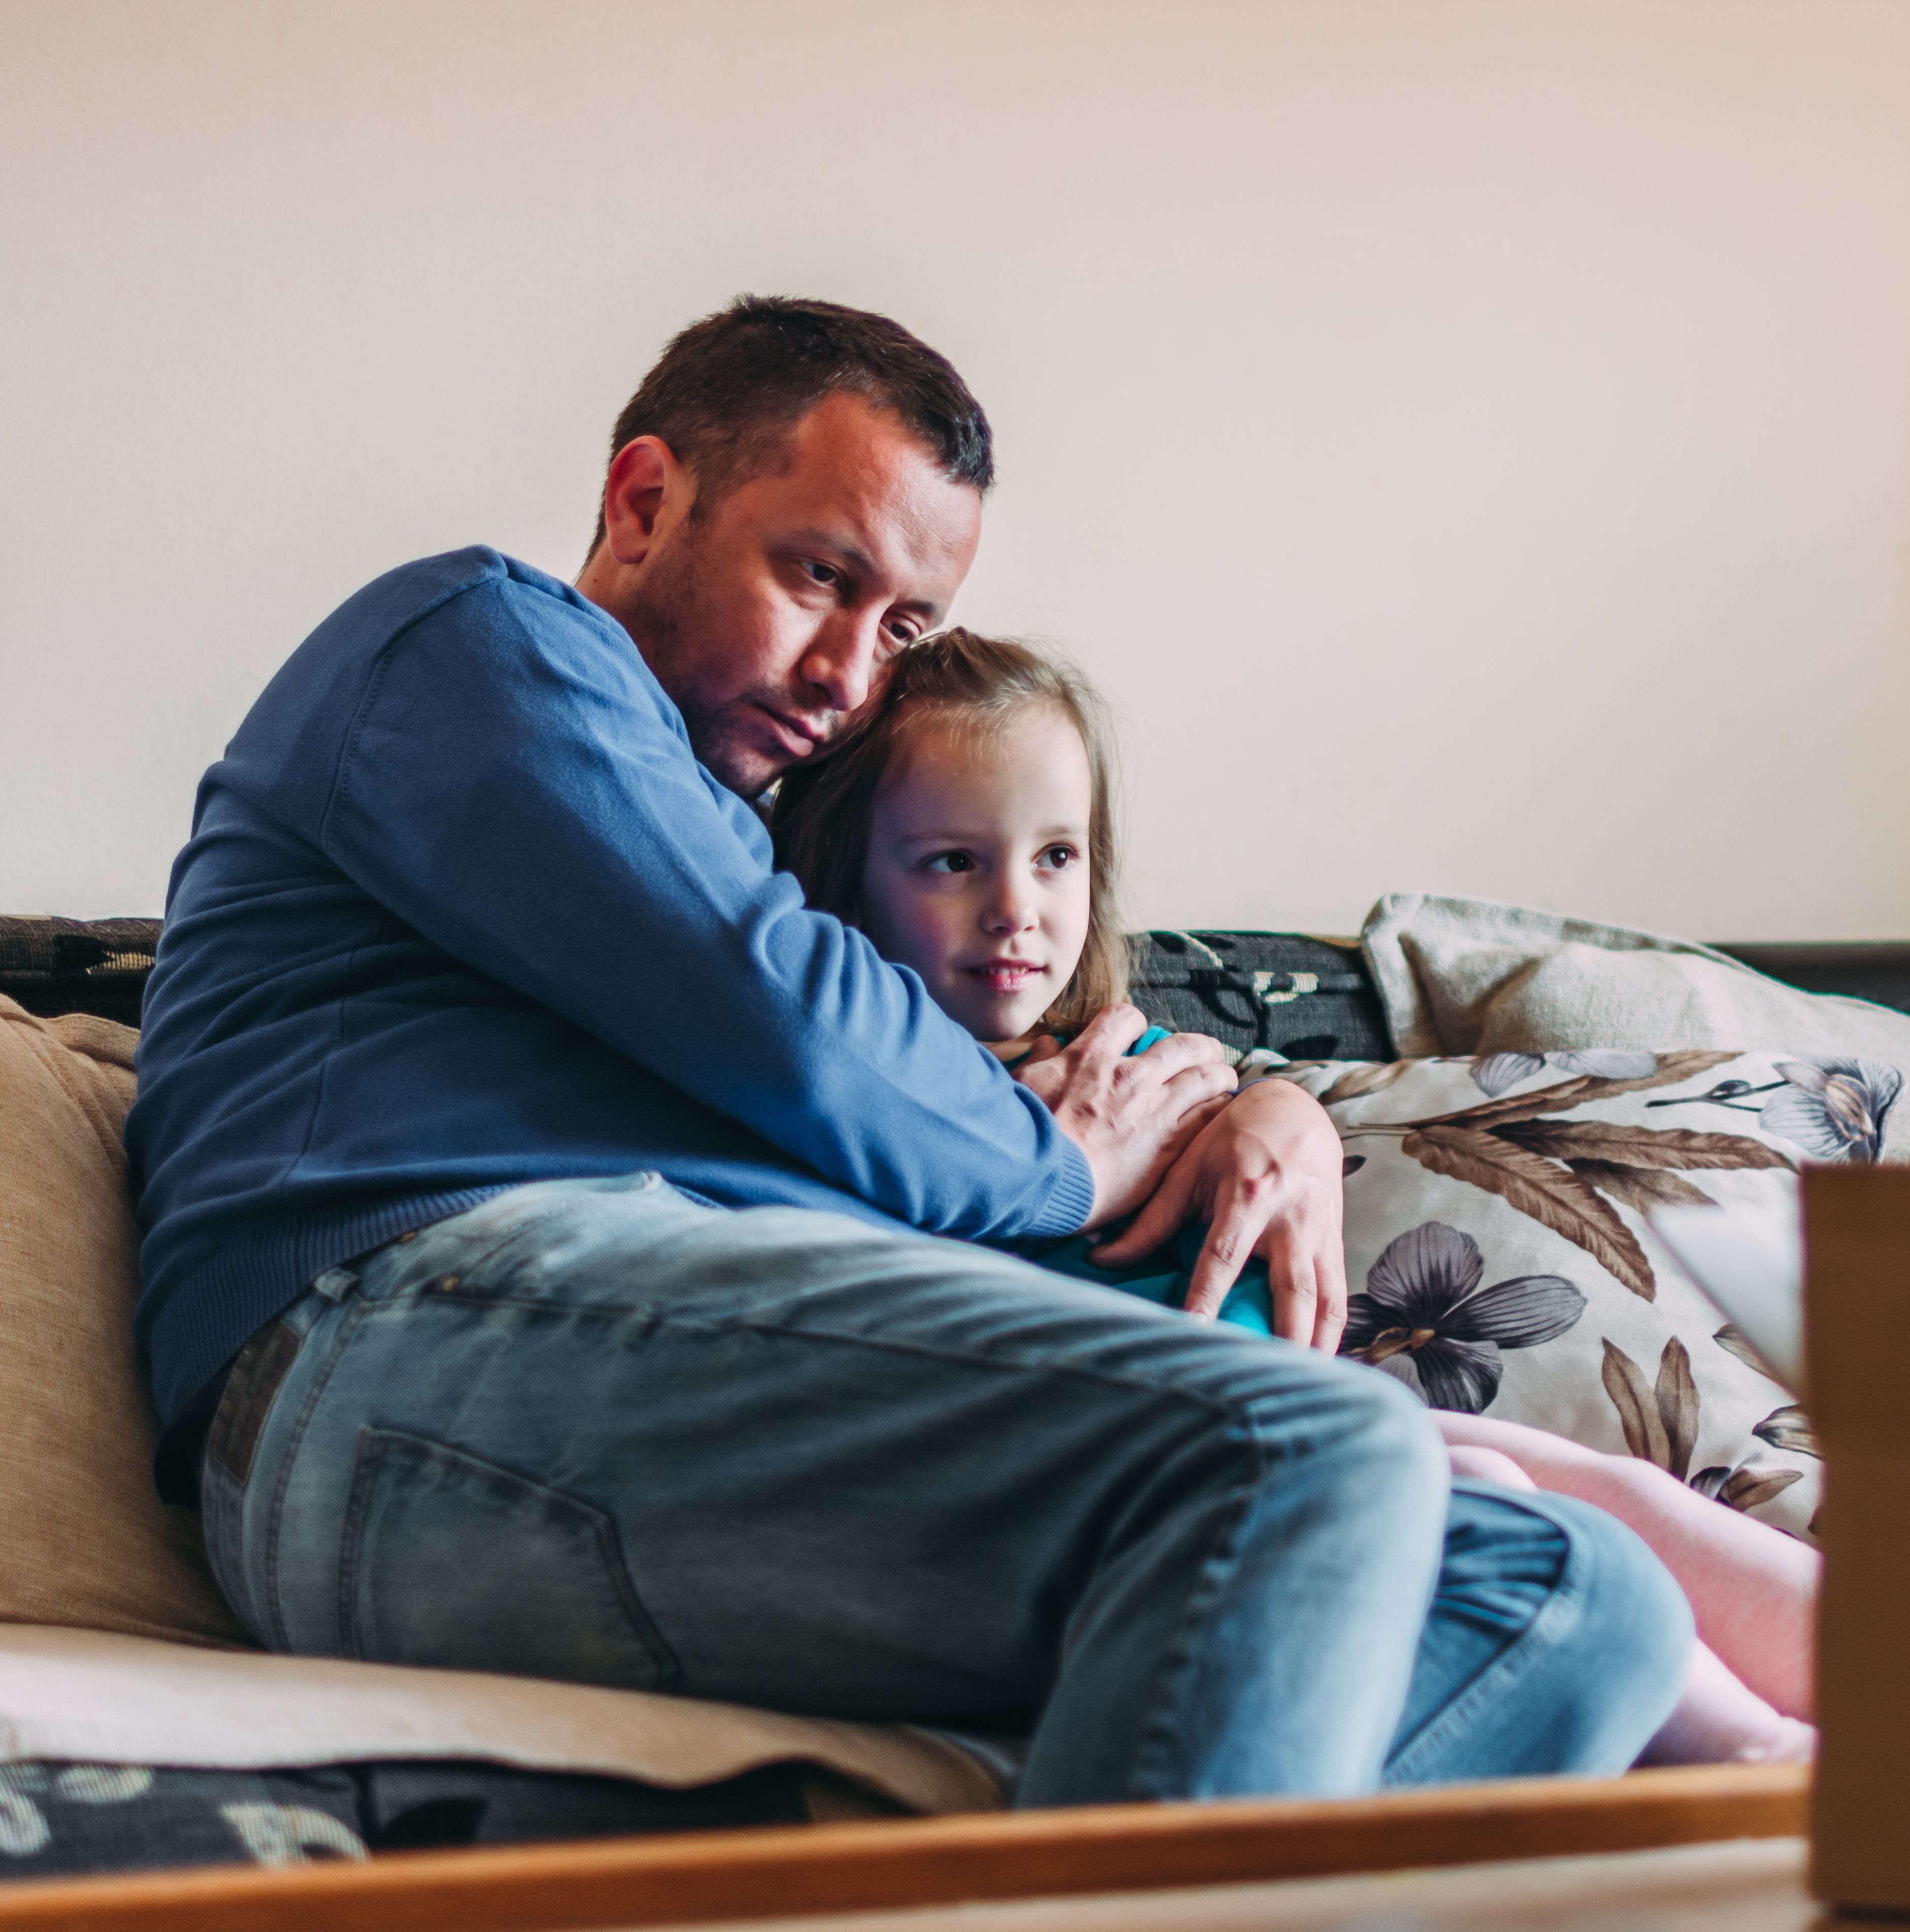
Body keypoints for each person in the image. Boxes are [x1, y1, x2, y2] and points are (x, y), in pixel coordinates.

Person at [126, 296, 1693, 1804]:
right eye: (818, 575)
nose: (850, 675)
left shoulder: (736, 833)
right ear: (642, 498)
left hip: (648, 1417)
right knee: (1305, 1443)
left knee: (1574, 1602)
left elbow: (949, 1063)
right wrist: (1063, 1159)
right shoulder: (478, 648)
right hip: (385, 1358)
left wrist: (1246, 1094)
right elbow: (794, 1024)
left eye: (907, 625)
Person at [769, 626, 1816, 1765]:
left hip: (1306, 1420)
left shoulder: (1143, 1068)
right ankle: (1761, 1760)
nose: (1018, 907)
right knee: (1485, 1483)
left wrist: (1279, 1109)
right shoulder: (866, 1110)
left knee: (1624, 1492)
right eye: (951, 862)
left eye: (1056, 855)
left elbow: (1255, 1114)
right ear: (843, 881)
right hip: (1161, 1473)